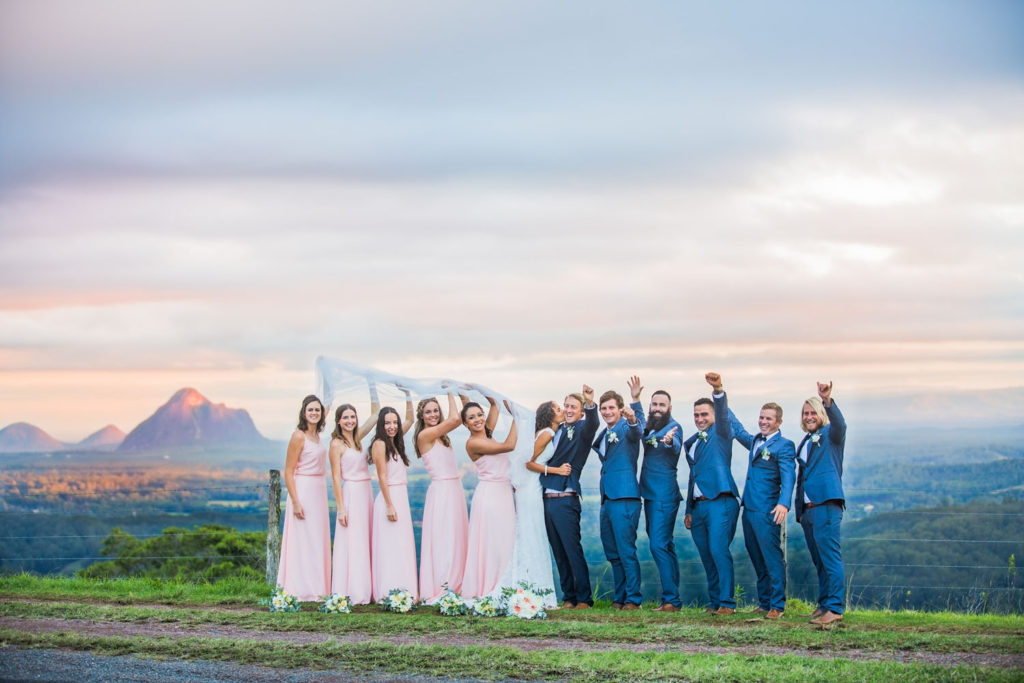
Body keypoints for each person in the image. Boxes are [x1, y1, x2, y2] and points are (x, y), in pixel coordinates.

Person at [730, 390, 796, 620]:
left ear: (779, 422)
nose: (763, 422)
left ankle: (777, 605)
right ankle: (764, 601)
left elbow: (789, 476)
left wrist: (784, 503)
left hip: (768, 511)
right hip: (748, 510)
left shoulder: (784, 445)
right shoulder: (756, 441)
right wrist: (719, 395)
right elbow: (738, 430)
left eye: (768, 418)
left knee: (772, 558)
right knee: (757, 557)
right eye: (761, 417)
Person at [683, 372, 740, 615]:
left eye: (704, 414)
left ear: (714, 415)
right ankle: (715, 601)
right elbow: (693, 477)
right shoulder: (692, 442)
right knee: (707, 555)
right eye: (696, 415)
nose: (700, 419)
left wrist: (718, 390)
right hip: (699, 506)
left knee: (719, 551)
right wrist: (689, 509)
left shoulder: (722, 432)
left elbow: (724, 414)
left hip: (721, 501)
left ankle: (727, 602)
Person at [538, 385, 598, 609]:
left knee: (572, 550)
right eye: (566, 406)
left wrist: (590, 403)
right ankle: (569, 597)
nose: (569, 410)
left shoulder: (582, 429)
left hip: (566, 498)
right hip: (546, 499)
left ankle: (584, 598)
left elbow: (593, 424)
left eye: (574, 407)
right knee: (559, 552)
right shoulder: (555, 430)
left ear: (581, 412)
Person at [795, 381, 847, 625]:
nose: (809, 417)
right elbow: (802, 476)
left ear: (822, 414)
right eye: (805, 413)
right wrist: (800, 509)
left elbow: (841, 424)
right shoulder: (807, 440)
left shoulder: (831, 435)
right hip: (809, 510)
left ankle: (835, 608)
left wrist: (827, 400)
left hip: (826, 504)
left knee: (830, 558)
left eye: (813, 412)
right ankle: (824, 603)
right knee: (819, 560)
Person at [593, 377, 646, 610]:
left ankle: (634, 598)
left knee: (626, 550)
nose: (607, 412)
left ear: (620, 409)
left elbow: (638, 431)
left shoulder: (626, 427)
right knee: (612, 551)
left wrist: (633, 412)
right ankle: (620, 596)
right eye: (603, 408)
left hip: (625, 498)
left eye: (611, 408)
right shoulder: (605, 433)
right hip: (607, 499)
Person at [460, 398, 518, 598]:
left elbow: (495, 405)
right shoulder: (474, 443)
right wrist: (517, 417)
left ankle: (504, 584)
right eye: (471, 418)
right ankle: (491, 586)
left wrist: (489, 397)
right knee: (493, 542)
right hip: (490, 496)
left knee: (504, 540)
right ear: (465, 423)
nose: (477, 419)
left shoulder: (487, 434)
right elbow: (509, 445)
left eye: (479, 415)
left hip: (503, 494)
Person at [415, 392, 469, 603]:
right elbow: (455, 418)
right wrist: (450, 391)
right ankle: (444, 584)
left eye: (436, 411)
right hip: (442, 492)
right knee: (444, 538)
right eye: (428, 412)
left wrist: (463, 396)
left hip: (455, 489)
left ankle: (458, 583)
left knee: (457, 537)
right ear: (422, 416)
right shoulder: (425, 436)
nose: (433, 415)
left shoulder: (443, 436)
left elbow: (463, 417)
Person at [277, 394, 331, 601]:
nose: (314, 413)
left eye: (317, 410)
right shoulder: (298, 436)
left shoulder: (317, 435)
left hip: (319, 492)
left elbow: (326, 407)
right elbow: (288, 471)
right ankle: (300, 588)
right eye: (311, 410)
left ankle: (316, 587)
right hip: (303, 491)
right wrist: (296, 502)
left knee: (316, 539)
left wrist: (330, 396)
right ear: (303, 412)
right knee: (302, 540)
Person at [328, 390, 379, 604]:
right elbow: (335, 477)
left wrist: (372, 386)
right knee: (353, 540)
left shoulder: (358, 439)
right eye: (345, 417)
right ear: (338, 421)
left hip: (366, 492)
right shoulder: (336, 444)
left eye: (353, 416)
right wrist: (341, 508)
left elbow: (375, 415)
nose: (350, 421)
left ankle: (367, 587)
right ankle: (353, 589)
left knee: (365, 538)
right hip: (350, 493)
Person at [639, 388, 684, 612]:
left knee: (657, 545)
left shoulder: (674, 428)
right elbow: (640, 425)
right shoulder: (651, 427)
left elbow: (675, 445)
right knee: (665, 545)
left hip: (664, 496)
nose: (657, 408)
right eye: (654, 404)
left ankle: (671, 600)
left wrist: (668, 442)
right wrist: (635, 399)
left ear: (669, 408)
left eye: (662, 405)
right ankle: (672, 598)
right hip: (650, 494)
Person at [370, 405, 418, 602]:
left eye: (395, 422)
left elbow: (411, 419)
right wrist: (389, 505)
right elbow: (382, 476)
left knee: (401, 544)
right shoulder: (380, 444)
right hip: (389, 498)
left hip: (401, 497)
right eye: (387, 423)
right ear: (381, 425)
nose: (392, 426)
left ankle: (404, 589)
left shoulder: (394, 441)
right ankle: (389, 591)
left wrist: (408, 395)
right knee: (390, 546)